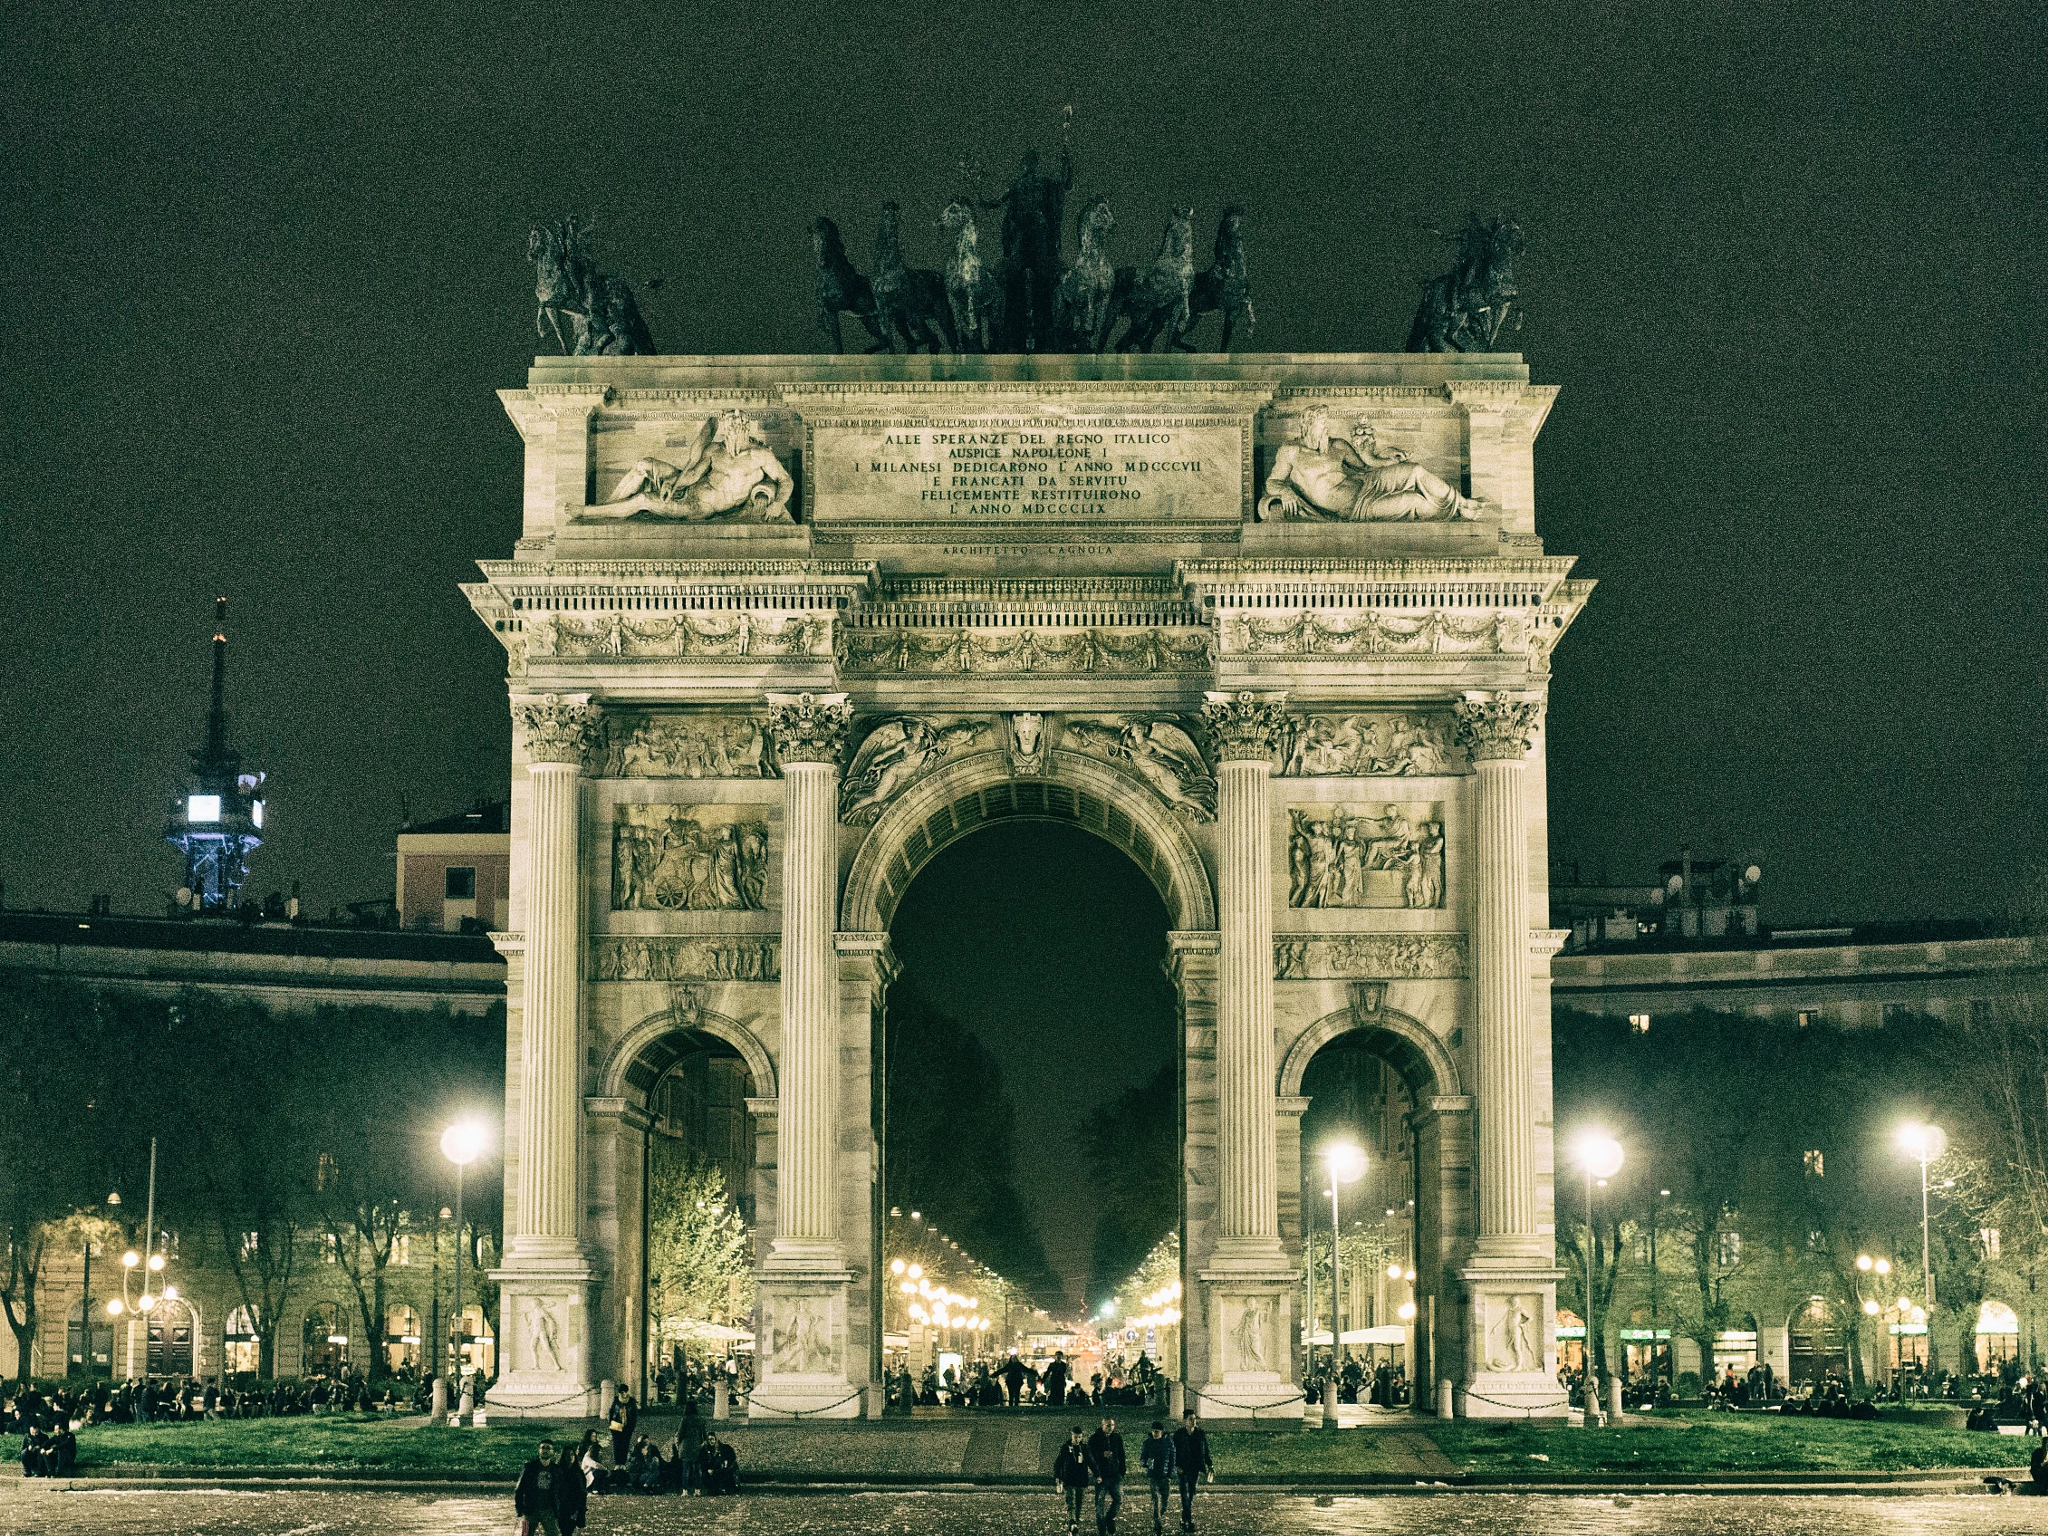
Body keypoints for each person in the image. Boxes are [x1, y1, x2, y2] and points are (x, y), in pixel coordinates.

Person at [513, 1438, 588, 1535]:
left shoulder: (556, 1470)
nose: (545, 1450)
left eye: (548, 1448)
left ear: (552, 1452)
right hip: (530, 1510)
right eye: (543, 1448)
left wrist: (561, 1509)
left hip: (549, 1510)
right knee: (526, 1534)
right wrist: (520, 1509)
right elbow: (519, 1489)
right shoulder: (530, 1467)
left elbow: (562, 1491)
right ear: (539, 1450)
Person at [1171, 1409, 1212, 1532]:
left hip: (1194, 1467)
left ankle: (1185, 1517)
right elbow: (1173, 1452)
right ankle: (1187, 1519)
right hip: (1182, 1468)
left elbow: (1205, 1449)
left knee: (1192, 1493)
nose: (1193, 1421)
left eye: (1194, 1419)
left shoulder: (1200, 1433)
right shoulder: (1179, 1434)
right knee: (1184, 1494)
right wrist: (1176, 1465)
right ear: (1185, 1421)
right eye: (1191, 1419)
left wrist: (1210, 1464)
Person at [1089, 1415, 1127, 1535]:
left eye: (1112, 1425)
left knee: (1119, 1499)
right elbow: (1090, 1456)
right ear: (1103, 1425)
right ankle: (1101, 1528)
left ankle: (1109, 1518)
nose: (1111, 1428)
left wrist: (1122, 1471)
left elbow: (1121, 1455)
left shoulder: (1117, 1438)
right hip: (1101, 1474)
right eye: (1108, 1425)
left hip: (1115, 1474)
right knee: (1099, 1503)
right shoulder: (1094, 1439)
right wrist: (1102, 1455)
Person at [1053, 1424, 1093, 1536]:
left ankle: (1075, 1524)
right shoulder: (1066, 1448)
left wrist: (1097, 1474)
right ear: (1072, 1436)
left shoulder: (1084, 1448)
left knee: (1079, 1503)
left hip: (1081, 1480)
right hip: (1068, 1479)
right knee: (1070, 1502)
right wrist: (1057, 1476)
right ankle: (1072, 1522)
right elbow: (1058, 1463)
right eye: (1076, 1437)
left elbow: (1090, 1461)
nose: (1077, 1439)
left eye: (1079, 1437)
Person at [1140, 1420, 1176, 1535]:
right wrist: (1146, 1463)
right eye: (1153, 1431)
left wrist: (1170, 1474)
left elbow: (1172, 1459)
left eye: (1157, 1431)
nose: (1155, 1433)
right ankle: (1157, 1522)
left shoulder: (1168, 1443)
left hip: (1165, 1477)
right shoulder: (1147, 1443)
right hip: (1153, 1477)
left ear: (1161, 1432)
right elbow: (1142, 1458)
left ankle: (1158, 1518)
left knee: (1165, 1503)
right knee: (1156, 1501)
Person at [697, 1431, 739, 1495]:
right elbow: (702, 1461)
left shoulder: (724, 1448)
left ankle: (725, 1488)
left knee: (725, 1474)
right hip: (711, 1470)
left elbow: (732, 1458)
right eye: (709, 1440)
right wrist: (707, 1469)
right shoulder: (705, 1450)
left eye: (712, 1439)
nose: (711, 1441)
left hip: (722, 1469)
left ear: (715, 1439)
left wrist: (726, 1462)